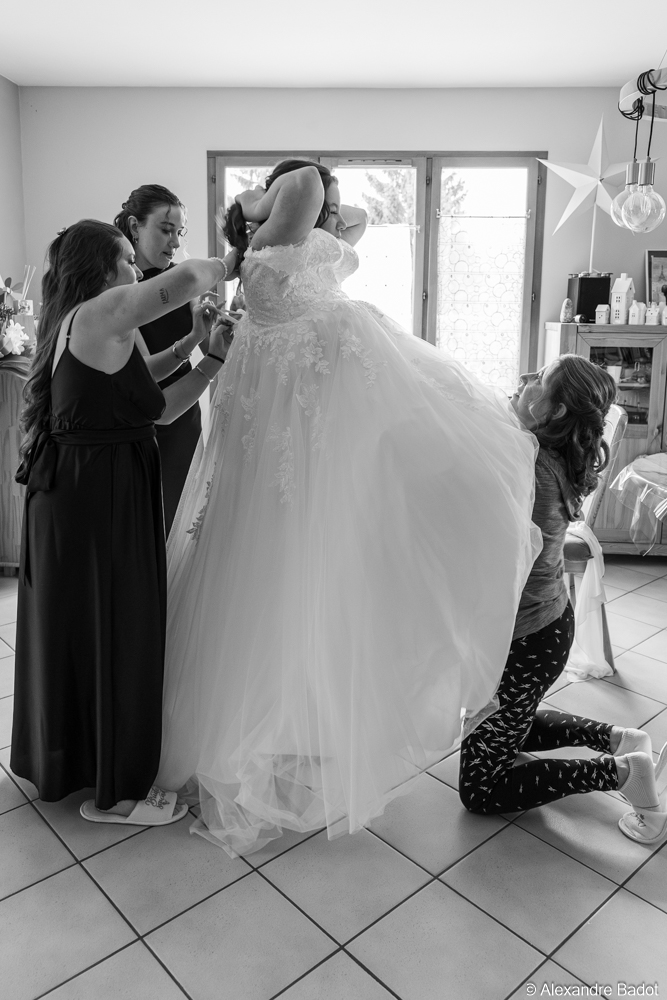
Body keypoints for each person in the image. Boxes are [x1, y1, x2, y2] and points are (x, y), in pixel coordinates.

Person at [157, 159, 540, 857]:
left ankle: (296, 724)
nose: (331, 214)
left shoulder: (280, 250)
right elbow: (305, 183)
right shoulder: (273, 237)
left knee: (306, 577)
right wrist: (265, 198)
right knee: (285, 575)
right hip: (294, 428)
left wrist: (320, 209)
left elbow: (343, 214)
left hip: (304, 427)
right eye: (321, 205)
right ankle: (265, 733)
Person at [11, 219, 237, 826]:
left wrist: (202, 349)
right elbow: (187, 278)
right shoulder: (102, 311)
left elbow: (153, 407)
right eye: (126, 259)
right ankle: (116, 796)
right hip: (96, 497)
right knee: (118, 626)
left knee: (95, 625)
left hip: (92, 491)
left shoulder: (93, 324)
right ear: (101, 270)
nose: (137, 269)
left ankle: (83, 761)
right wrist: (237, 257)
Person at [459, 354, 667, 846]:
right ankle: (620, 738)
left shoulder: (530, 464)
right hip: (544, 628)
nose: (525, 378)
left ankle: (624, 772)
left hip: (526, 642)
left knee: (480, 791)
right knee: (513, 722)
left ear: (553, 412)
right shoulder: (543, 453)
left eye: (540, 378)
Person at [114, 185, 205, 534]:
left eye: (179, 232)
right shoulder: (120, 292)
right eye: (166, 230)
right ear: (134, 227)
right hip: (143, 422)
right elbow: (143, 370)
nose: (175, 243)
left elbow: (212, 345)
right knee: (149, 526)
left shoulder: (183, 282)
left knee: (185, 524)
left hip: (186, 415)